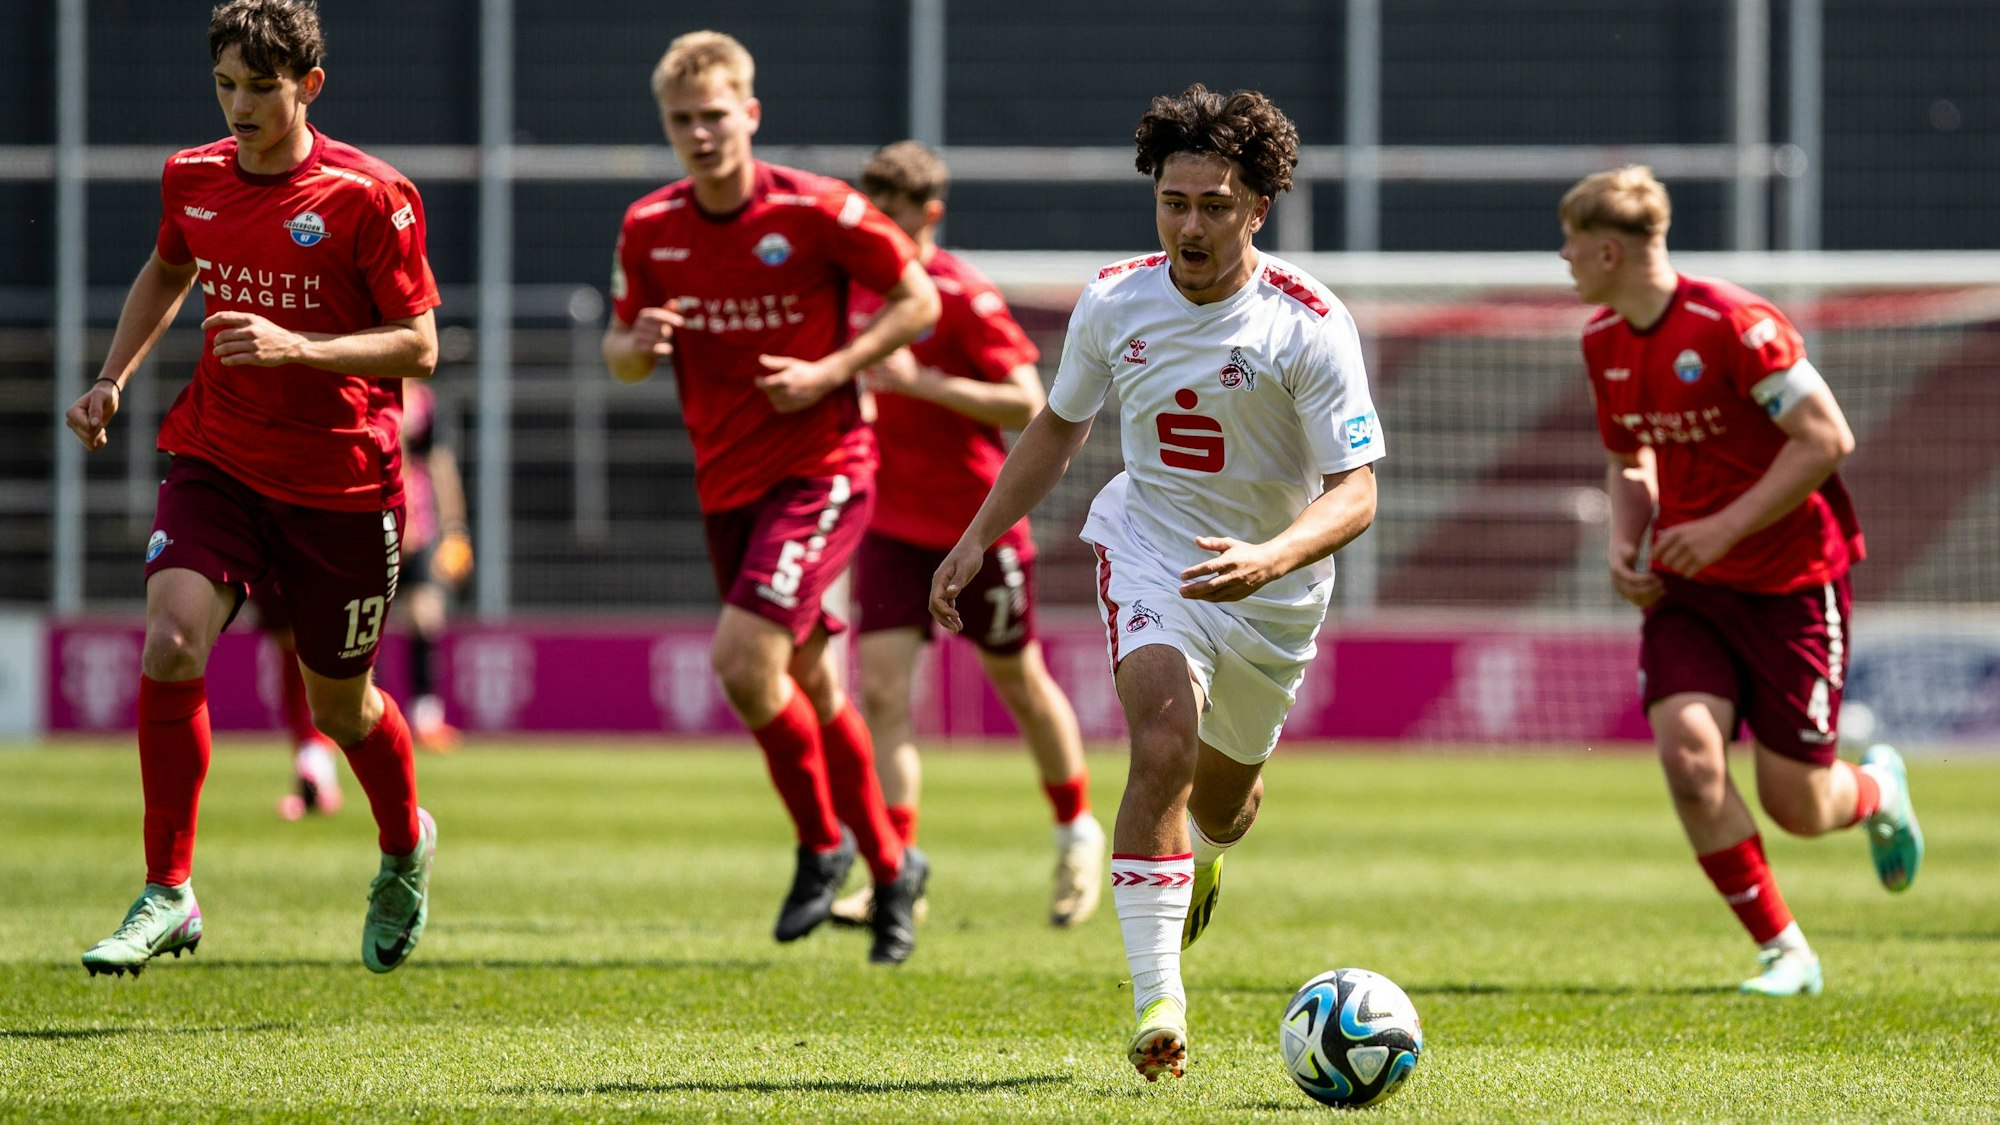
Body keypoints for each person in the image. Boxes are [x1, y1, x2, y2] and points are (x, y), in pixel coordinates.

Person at [929, 85, 1383, 1080]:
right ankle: (1156, 1003)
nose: (1189, 224)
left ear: (1255, 209)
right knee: (1161, 741)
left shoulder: (1306, 323)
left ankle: (1201, 862)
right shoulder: (1112, 300)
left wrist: (1270, 558)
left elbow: (1355, 491)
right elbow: (1057, 426)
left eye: (1213, 205)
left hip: (1271, 586)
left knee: (1225, 807)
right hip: (1150, 554)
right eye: (1172, 201)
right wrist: (977, 535)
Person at [64, 0, 441, 977]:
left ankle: (402, 845)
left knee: (340, 710)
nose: (238, 106)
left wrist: (299, 348)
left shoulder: (372, 196)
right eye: (225, 85)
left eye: (259, 89)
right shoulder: (191, 178)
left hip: (343, 488)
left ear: (308, 86)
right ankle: (168, 890)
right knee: (172, 638)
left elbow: (420, 346)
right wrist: (111, 376)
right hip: (218, 456)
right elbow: (165, 270)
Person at [602, 30, 941, 965]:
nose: (700, 134)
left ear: (749, 113)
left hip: (825, 467)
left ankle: (821, 842)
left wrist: (832, 367)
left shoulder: (819, 209)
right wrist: (640, 346)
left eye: (715, 115)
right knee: (814, 685)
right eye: (682, 120)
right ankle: (892, 864)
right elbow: (621, 353)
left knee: (745, 664)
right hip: (728, 484)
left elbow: (919, 300)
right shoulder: (650, 227)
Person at [1560, 164, 1924, 997]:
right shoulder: (1602, 341)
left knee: (1798, 804)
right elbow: (1628, 459)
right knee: (1691, 762)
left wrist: (1722, 527)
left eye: (1572, 247)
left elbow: (1826, 437)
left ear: (1610, 251)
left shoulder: (1736, 324)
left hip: (1792, 582)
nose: (1564, 261)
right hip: (1690, 592)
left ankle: (1877, 788)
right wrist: (1626, 539)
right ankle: (1786, 951)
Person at [830, 140, 1105, 932]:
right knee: (881, 693)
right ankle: (897, 870)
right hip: (889, 522)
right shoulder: (858, 291)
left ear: (930, 216)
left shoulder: (962, 295)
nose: (878, 232)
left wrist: (926, 384)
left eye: (893, 217)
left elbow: (1028, 403)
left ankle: (1074, 829)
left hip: (978, 527)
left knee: (1016, 681)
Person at [393, 379, 474, 752]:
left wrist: (455, 528)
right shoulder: (361, 387)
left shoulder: (423, 402)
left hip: (419, 528)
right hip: (367, 523)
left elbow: (440, 464)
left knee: (426, 618)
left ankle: (425, 717)